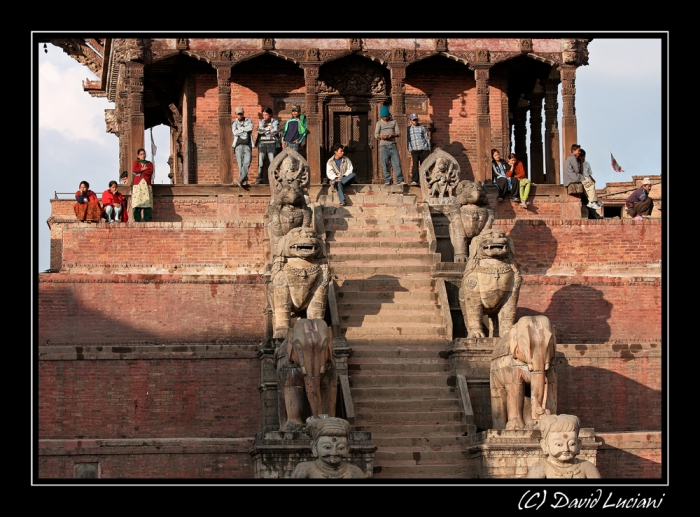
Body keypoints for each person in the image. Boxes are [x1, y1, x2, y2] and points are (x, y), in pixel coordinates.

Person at [526, 414, 601, 478]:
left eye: (572, 444)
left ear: (579, 444)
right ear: (545, 445)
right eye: (559, 444)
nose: (566, 449)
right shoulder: (539, 468)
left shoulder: (587, 467)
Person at [290, 416, 366, 479]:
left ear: (348, 448)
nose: (334, 452)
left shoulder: (355, 472)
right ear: (314, 447)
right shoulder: (304, 469)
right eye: (327, 447)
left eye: (341, 448)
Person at [375, 105, 405, 186]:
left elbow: (398, 133)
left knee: (396, 163)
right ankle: (388, 180)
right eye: (384, 117)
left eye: (386, 116)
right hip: (383, 146)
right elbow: (376, 135)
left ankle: (399, 180)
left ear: (389, 115)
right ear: (381, 116)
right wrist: (382, 136)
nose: (385, 118)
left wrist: (392, 135)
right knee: (385, 164)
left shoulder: (394, 122)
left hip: (392, 145)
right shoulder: (379, 123)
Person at [255, 107, 280, 184]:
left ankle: (273, 178)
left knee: (272, 162)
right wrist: (269, 129)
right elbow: (259, 130)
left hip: (271, 143)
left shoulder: (275, 122)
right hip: (262, 143)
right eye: (263, 115)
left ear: (270, 114)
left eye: (266, 115)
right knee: (261, 162)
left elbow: (275, 131)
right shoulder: (261, 121)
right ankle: (260, 178)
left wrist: (265, 129)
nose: (264, 116)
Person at [232, 106, 254, 187]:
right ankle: (244, 180)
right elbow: (235, 132)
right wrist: (244, 129)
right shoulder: (234, 123)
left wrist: (240, 129)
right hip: (238, 145)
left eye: (241, 114)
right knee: (240, 164)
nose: (240, 116)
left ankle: (241, 178)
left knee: (247, 162)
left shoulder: (249, 121)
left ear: (243, 113)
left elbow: (250, 128)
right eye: (238, 114)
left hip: (247, 144)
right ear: (236, 114)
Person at [407, 113, 430, 186]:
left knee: (424, 165)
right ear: (410, 120)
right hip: (415, 149)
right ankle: (415, 180)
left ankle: (425, 179)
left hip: (423, 149)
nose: (415, 121)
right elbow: (408, 140)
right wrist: (410, 148)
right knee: (415, 165)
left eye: (416, 120)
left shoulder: (422, 128)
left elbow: (426, 138)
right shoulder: (409, 129)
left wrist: (428, 148)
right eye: (413, 120)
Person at [132, 148, 154, 222]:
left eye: (144, 154)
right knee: (137, 202)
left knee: (147, 202)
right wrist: (144, 169)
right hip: (138, 184)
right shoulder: (136, 163)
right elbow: (134, 170)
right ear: (138, 155)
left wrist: (140, 171)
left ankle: (147, 218)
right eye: (141, 154)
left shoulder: (149, 163)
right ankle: (137, 218)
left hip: (146, 184)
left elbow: (150, 172)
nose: (143, 156)